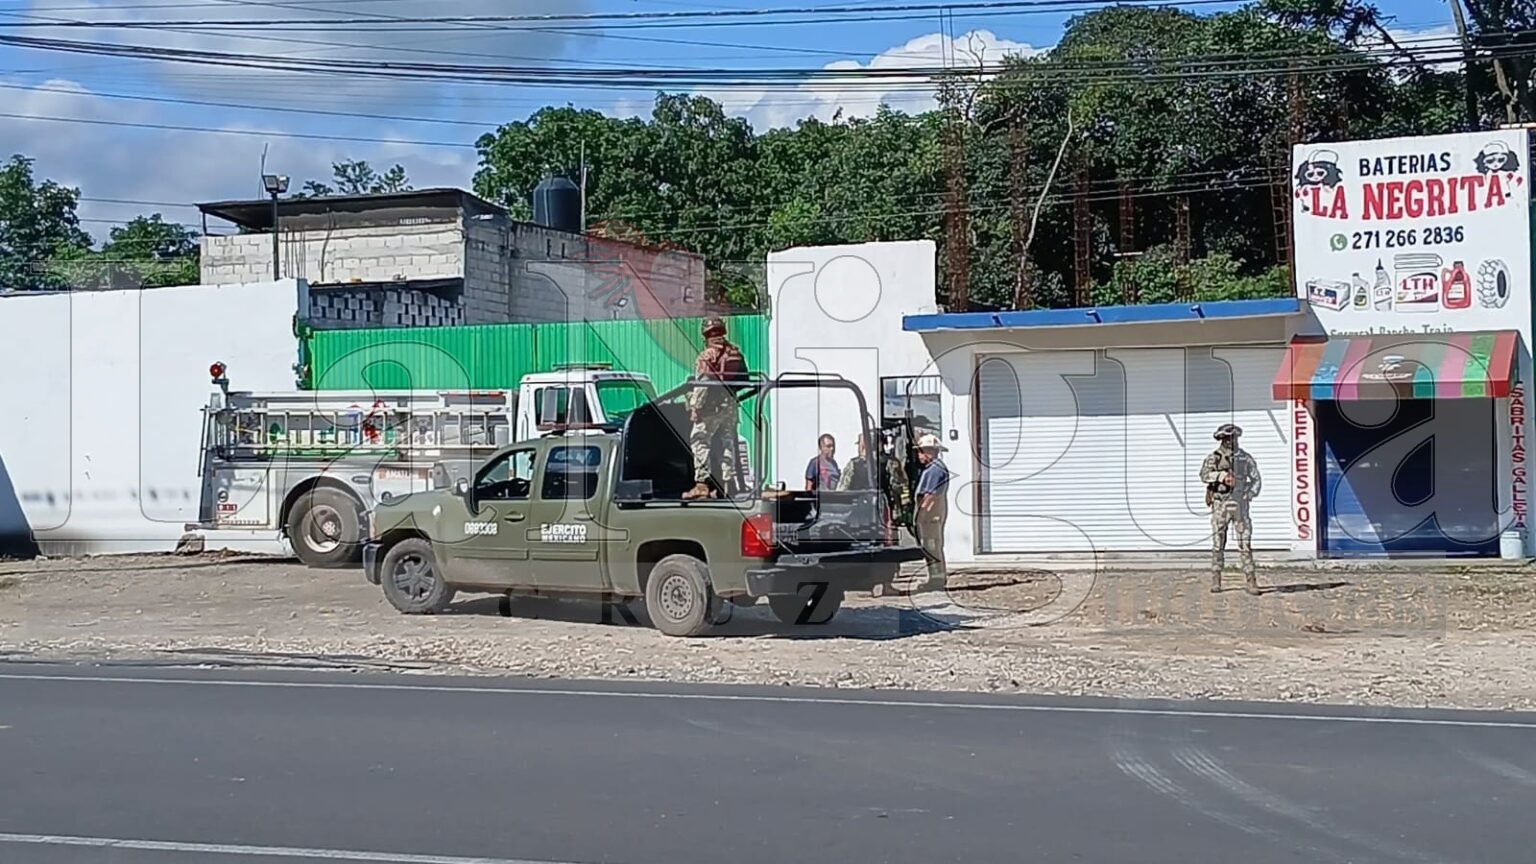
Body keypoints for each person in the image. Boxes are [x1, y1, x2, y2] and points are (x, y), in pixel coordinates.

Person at [682, 317, 748, 501]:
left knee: (699, 440)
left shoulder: (707, 356)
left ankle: (702, 484)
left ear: (705, 335)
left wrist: (695, 408)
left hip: (710, 408)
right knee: (727, 443)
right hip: (730, 406)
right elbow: (744, 380)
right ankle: (728, 484)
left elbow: (702, 385)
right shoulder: (735, 353)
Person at [1201, 423, 1262, 595]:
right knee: (1218, 543)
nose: (1230, 441)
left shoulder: (1245, 458)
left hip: (1240, 505)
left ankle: (1250, 580)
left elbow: (1256, 480)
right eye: (1226, 438)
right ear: (1221, 439)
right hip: (1220, 504)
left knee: (1245, 543)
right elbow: (1204, 475)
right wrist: (1221, 476)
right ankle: (1216, 578)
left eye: (1232, 438)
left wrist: (1249, 494)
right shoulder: (1214, 458)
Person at [837, 433, 911, 519]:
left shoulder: (853, 464)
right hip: (883, 513)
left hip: (861, 515)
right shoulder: (891, 463)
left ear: (863, 446)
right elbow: (900, 488)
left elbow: (841, 491)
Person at [913, 433, 949, 586]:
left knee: (932, 547)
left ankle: (937, 580)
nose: (919, 455)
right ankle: (935, 578)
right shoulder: (931, 469)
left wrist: (921, 516)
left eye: (922, 451)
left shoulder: (935, 469)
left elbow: (930, 496)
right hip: (931, 516)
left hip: (931, 517)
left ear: (931, 451)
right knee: (930, 546)